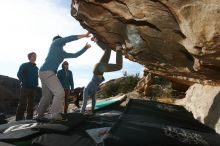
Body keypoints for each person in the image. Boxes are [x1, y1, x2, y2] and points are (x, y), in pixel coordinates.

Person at [37, 32, 91, 121]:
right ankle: (54, 114)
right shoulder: (55, 43)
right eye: (61, 40)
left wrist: (85, 48)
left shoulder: (62, 52)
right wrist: (84, 35)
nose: (63, 41)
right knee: (60, 93)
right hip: (48, 72)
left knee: (46, 96)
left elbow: (75, 55)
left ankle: (39, 115)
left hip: (43, 72)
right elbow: (69, 38)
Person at [81, 36, 123, 114]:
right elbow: (93, 102)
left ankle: (118, 47)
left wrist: (82, 112)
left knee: (119, 66)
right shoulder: (92, 93)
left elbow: (84, 103)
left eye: (87, 98)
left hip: (99, 70)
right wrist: (92, 111)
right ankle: (95, 39)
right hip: (98, 68)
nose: (87, 99)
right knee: (107, 50)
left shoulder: (86, 91)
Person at [16, 52, 39, 121]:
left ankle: (29, 118)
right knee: (22, 104)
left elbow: (36, 77)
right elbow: (19, 74)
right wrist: (25, 82)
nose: (35, 57)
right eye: (34, 56)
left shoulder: (36, 68)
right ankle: (18, 119)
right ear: (30, 57)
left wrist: (36, 84)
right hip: (25, 88)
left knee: (31, 104)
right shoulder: (24, 65)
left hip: (33, 88)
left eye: (36, 56)